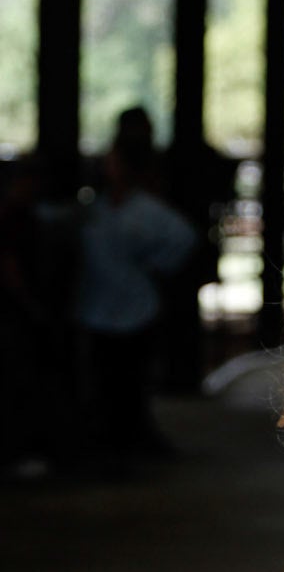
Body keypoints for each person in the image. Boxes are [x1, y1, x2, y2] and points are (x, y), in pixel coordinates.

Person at [75, 107, 198, 461]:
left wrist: (154, 266)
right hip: (99, 304)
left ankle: (126, 443)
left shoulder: (145, 209)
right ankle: (110, 441)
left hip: (133, 304)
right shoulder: (98, 208)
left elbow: (183, 238)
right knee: (104, 380)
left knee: (128, 381)